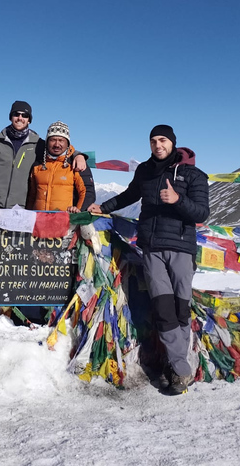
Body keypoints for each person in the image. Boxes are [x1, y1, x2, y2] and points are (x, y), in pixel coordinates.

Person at [88, 124, 209, 396]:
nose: (158, 145)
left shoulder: (193, 174)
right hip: (152, 249)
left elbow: (202, 213)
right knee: (164, 310)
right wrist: (103, 207)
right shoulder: (145, 171)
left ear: (173, 143)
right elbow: (131, 195)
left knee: (179, 309)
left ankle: (176, 363)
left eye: (163, 140)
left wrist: (177, 199)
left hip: (180, 248)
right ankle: (180, 370)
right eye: (153, 140)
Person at [0, 101, 87, 208]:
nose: (20, 118)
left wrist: (78, 155)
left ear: (29, 120)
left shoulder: (38, 144)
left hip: (20, 208)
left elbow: (58, 148)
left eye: (25, 115)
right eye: (16, 114)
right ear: (11, 117)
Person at [27, 121, 88, 212]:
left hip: (63, 220)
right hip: (39, 219)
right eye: (52, 140)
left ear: (67, 143)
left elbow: (85, 192)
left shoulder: (75, 164)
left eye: (61, 140)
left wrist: (78, 210)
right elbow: (32, 195)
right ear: (47, 142)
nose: (56, 144)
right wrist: (28, 214)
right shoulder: (37, 165)